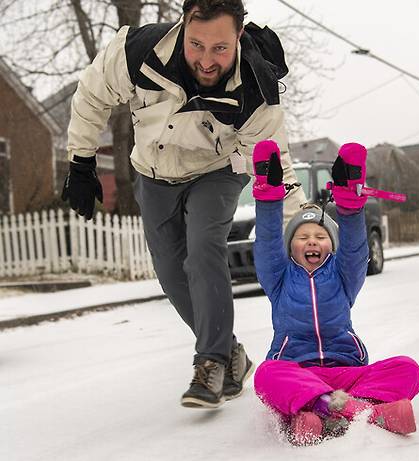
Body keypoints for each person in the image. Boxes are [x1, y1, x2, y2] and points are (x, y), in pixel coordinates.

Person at [61, 0, 305, 409]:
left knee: (203, 246)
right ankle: (232, 353)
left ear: (238, 36)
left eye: (220, 49)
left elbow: (277, 164)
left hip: (218, 168)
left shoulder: (254, 86)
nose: (207, 61)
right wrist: (81, 160)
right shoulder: (138, 52)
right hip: (154, 171)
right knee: (171, 270)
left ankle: (210, 362)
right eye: (197, 45)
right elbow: (91, 94)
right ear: (183, 24)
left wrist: (301, 226)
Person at [249, 139, 419, 445]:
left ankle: (318, 411)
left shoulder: (343, 276)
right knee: (266, 375)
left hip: (346, 373)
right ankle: (362, 411)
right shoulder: (279, 277)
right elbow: (265, 243)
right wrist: (268, 196)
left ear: (331, 245)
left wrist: (350, 204)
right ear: (290, 248)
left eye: (320, 236)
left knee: (408, 369)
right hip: (297, 371)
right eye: (303, 237)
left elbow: (356, 251)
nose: (313, 241)